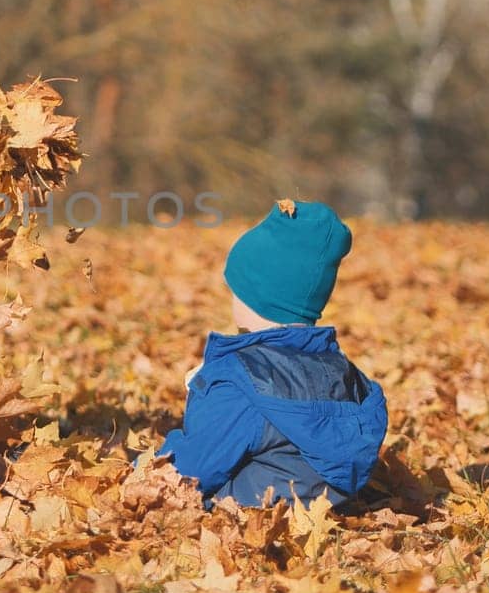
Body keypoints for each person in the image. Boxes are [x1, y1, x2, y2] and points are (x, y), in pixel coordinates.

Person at [157, 201, 388, 507]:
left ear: (255, 296)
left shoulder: (239, 381)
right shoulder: (343, 374)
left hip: (244, 528)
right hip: (318, 520)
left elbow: (188, 471)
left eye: (235, 289)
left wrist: (201, 397)